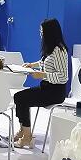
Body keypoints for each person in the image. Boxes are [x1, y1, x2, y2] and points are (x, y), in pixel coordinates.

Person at [13, 19, 69, 149]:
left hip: (54, 92)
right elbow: (46, 62)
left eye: (42, 31)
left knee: (21, 98)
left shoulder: (60, 50)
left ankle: (27, 137)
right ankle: (24, 130)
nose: (40, 34)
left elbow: (63, 77)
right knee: (19, 97)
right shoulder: (51, 48)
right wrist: (32, 65)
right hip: (46, 88)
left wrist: (43, 75)